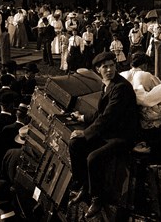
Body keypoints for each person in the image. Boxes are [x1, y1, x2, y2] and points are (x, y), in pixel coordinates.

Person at [67, 52, 140, 218]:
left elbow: (108, 116)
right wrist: (83, 117)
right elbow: (101, 113)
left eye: (111, 65)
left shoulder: (121, 87)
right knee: (75, 145)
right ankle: (84, 186)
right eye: (104, 67)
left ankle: (97, 198)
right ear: (98, 69)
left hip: (122, 136)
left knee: (93, 158)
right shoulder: (107, 84)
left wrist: (85, 133)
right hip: (109, 132)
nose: (109, 69)